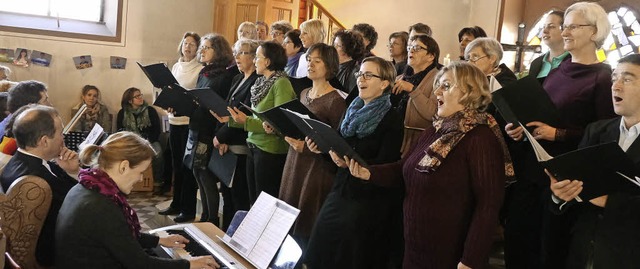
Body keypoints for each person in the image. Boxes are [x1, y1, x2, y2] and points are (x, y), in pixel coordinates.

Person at [343, 61, 511, 269]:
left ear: (470, 91)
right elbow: (403, 169)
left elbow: (488, 205)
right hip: (416, 247)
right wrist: (368, 172)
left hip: (451, 253)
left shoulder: (479, 138)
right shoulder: (436, 129)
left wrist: (470, 260)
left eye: (446, 86)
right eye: (438, 84)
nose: (437, 91)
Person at [504, 3, 616, 268]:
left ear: (594, 32)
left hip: (565, 178)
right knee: (518, 238)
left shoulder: (603, 77)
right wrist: (521, 129)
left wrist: (559, 134)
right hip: (533, 169)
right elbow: (540, 115)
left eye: (573, 26)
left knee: (548, 249)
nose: (565, 32)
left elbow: (605, 135)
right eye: (564, 26)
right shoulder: (556, 71)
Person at [55, 131, 218, 269]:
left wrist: (159, 240)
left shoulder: (87, 187)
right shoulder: (102, 206)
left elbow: (118, 237)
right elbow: (140, 264)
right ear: (123, 166)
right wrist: (187, 264)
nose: (141, 179)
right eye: (140, 172)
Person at [304, 57, 403, 268]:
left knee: (348, 256)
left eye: (369, 75)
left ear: (385, 83)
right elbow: (337, 154)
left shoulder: (392, 117)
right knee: (319, 247)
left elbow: (386, 164)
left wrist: (351, 163)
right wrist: (323, 151)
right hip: (342, 189)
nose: (361, 79)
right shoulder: (352, 110)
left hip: (369, 200)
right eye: (360, 74)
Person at [548, 53, 640, 269]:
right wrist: (559, 195)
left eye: (627, 79)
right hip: (583, 251)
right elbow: (576, 187)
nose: (616, 86)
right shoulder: (596, 131)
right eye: (614, 78)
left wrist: (609, 201)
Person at [279, 43, 346, 252]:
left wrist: (307, 148)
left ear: (330, 66)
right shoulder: (305, 92)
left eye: (317, 61)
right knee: (289, 219)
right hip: (294, 161)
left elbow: (336, 142)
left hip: (316, 168)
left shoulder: (335, 100)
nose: (311, 64)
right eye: (309, 60)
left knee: (306, 227)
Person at [0, 105, 79, 267]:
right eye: (60, 133)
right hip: (54, 255)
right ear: (44, 141)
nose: (63, 138)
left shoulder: (18, 161)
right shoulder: (37, 180)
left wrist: (72, 171)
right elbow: (79, 205)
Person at [227, 41, 296, 203]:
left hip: (270, 151)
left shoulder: (281, 83)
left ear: (267, 61)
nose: (254, 61)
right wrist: (231, 119)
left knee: (265, 202)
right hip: (253, 145)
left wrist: (246, 121)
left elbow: (278, 123)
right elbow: (258, 120)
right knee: (253, 200)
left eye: (257, 57)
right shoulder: (260, 82)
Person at [187, 34, 238, 224]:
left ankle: (212, 218)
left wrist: (221, 134)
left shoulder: (226, 75)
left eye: (207, 47)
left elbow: (223, 105)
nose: (202, 50)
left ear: (218, 51)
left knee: (206, 174)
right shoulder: (204, 72)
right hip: (196, 127)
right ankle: (205, 215)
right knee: (196, 172)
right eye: (202, 47)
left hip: (210, 129)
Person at [210, 39, 261, 230]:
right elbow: (226, 110)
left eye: (243, 53)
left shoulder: (256, 81)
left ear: (254, 57)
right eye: (236, 52)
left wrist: (222, 136)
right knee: (227, 194)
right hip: (227, 143)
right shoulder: (237, 78)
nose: (237, 57)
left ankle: (235, 238)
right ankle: (225, 236)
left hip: (241, 143)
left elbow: (243, 114)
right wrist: (221, 137)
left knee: (239, 196)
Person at [158, 32, 203, 213]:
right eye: (185, 43)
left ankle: (187, 207)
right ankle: (175, 203)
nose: (188, 46)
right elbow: (171, 89)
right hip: (174, 119)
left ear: (198, 48)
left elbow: (195, 95)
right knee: (176, 164)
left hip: (189, 121)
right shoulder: (176, 66)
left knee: (187, 167)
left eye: (192, 44)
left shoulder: (199, 69)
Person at [392, 34, 441, 157]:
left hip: (418, 142)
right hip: (394, 136)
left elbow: (432, 113)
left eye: (418, 48)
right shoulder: (400, 77)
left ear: (431, 56)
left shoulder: (438, 79)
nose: (411, 50)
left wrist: (412, 90)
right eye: (409, 47)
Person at [116, 87, 163, 197]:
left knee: (158, 153)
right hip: (130, 141)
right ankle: (122, 184)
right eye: (137, 96)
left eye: (140, 95)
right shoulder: (122, 113)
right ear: (129, 100)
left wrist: (145, 141)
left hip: (149, 141)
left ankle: (158, 183)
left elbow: (156, 130)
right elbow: (119, 131)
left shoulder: (150, 111)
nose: (140, 98)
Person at [0, 80, 53, 155]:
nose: (50, 105)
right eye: (45, 100)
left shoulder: (21, 124)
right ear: (31, 107)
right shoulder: (14, 138)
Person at [528, 11, 569, 81]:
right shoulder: (536, 63)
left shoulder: (574, 61)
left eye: (551, 26)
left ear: (565, 30)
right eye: (544, 27)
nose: (545, 31)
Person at [333, 29, 365, 95]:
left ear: (348, 48)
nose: (333, 48)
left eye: (338, 46)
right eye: (334, 44)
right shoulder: (332, 64)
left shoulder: (356, 71)